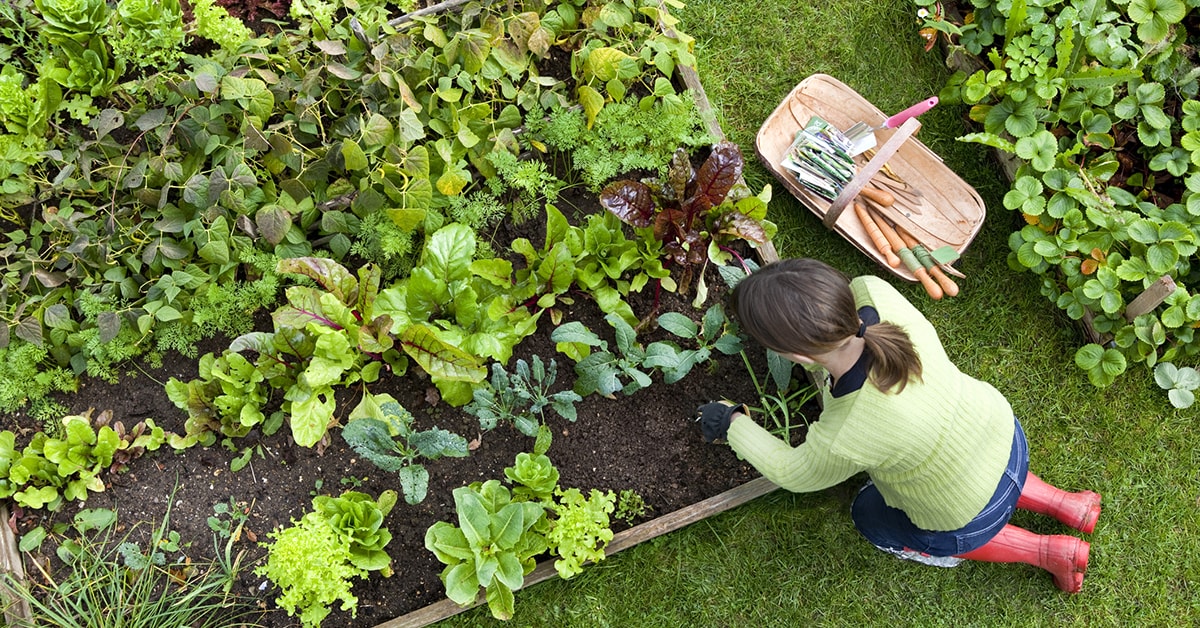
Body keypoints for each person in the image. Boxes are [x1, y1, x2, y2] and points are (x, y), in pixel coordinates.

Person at [696, 258, 1101, 593]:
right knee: (974, 467)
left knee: (869, 516)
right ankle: (1069, 505)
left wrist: (731, 423)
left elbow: (793, 472)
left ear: (798, 356)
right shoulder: (874, 292)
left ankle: (1049, 552)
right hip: (1002, 435)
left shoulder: (847, 431)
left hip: (964, 512)